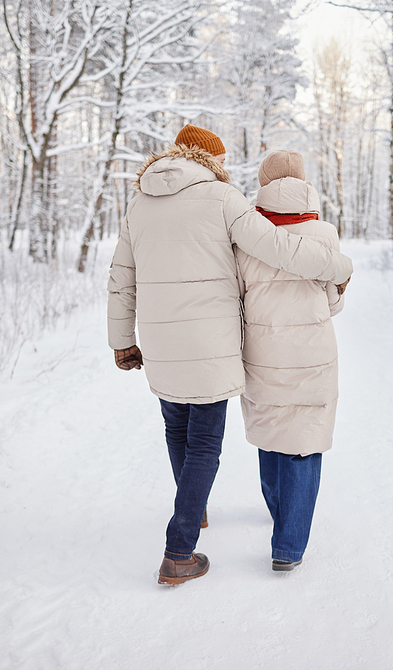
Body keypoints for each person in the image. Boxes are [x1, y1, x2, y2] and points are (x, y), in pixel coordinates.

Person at [107, 126, 353, 586]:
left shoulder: (138, 202)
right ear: (210, 160)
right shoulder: (223, 197)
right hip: (210, 342)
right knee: (204, 441)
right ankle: (179, 549)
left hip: (159, 342)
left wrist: (122, 340)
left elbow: (122, 277)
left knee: (175, 426)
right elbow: (278, 248)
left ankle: (193, 506)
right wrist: (340, 267)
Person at [235, 150, 350, 571]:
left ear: (263, 184)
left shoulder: (245, 234)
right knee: (304, 442)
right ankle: (288, 546)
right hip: (313, 356)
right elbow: (332, 303)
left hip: (261, 354)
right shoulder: (325, 234)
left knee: (270, 433)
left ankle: (278, 512)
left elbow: (239, 296)